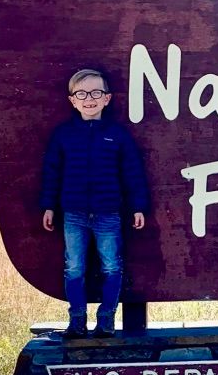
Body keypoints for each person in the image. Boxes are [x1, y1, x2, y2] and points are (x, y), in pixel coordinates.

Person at [40, 68, 149, 339]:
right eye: (82, 94)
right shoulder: (64, 135)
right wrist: (49, 205)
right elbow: (52, 171)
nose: (89, 99)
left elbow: (132, 172)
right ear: (72, 100)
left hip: (108, 212)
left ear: (107, 98)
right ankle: (77, 321)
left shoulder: (117, 135)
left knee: (111, 266)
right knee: (74, 267)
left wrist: (138, 206)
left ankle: (106, 320)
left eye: (96, 93)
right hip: (73, 212)